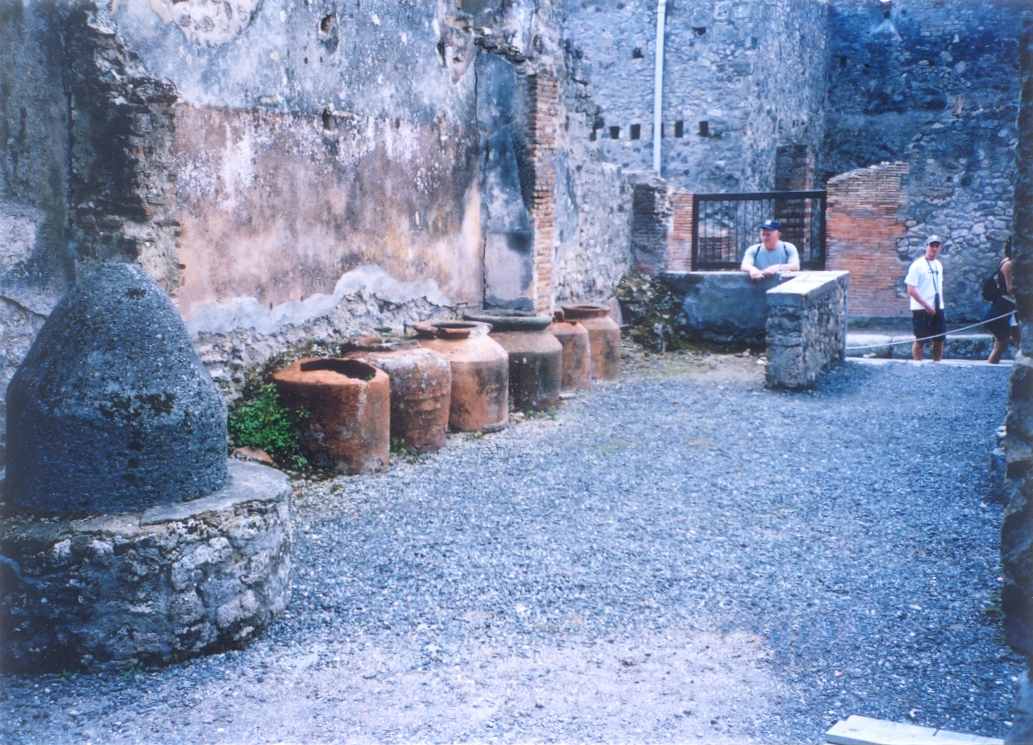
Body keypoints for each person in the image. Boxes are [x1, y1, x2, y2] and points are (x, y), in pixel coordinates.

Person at [904, 235, 946, 362]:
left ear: (940, 248)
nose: (934, 248)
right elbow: (911, 290)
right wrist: (927, 306)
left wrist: (937, 307)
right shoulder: (917, 265)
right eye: (931, 245)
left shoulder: (938, 264)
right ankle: (918, 366)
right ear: (926, 247)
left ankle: (937, 364)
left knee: (939, 339)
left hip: (938, 306)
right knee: (920, 339)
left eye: (936, 246)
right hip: (921, 308)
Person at [987, 238, 1020, 364]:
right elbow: (1010, 288)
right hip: (1003, 308)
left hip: (1010, 308)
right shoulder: (1009, 264)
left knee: (1019, 339)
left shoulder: (1008, 262)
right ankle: (991, 367)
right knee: (1002, 343)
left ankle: (1024, 366)